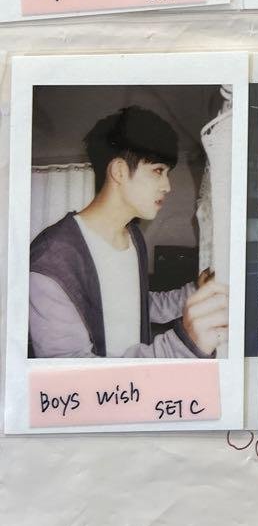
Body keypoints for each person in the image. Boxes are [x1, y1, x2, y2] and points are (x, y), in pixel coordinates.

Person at [28, 105, 228, 359]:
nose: (167, 186)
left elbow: (139, 304)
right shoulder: (50, 260)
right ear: (120, 171)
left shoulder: (133, 237)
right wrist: (182, 344)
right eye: (158, 171)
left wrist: (195, 292)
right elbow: (71, 372)